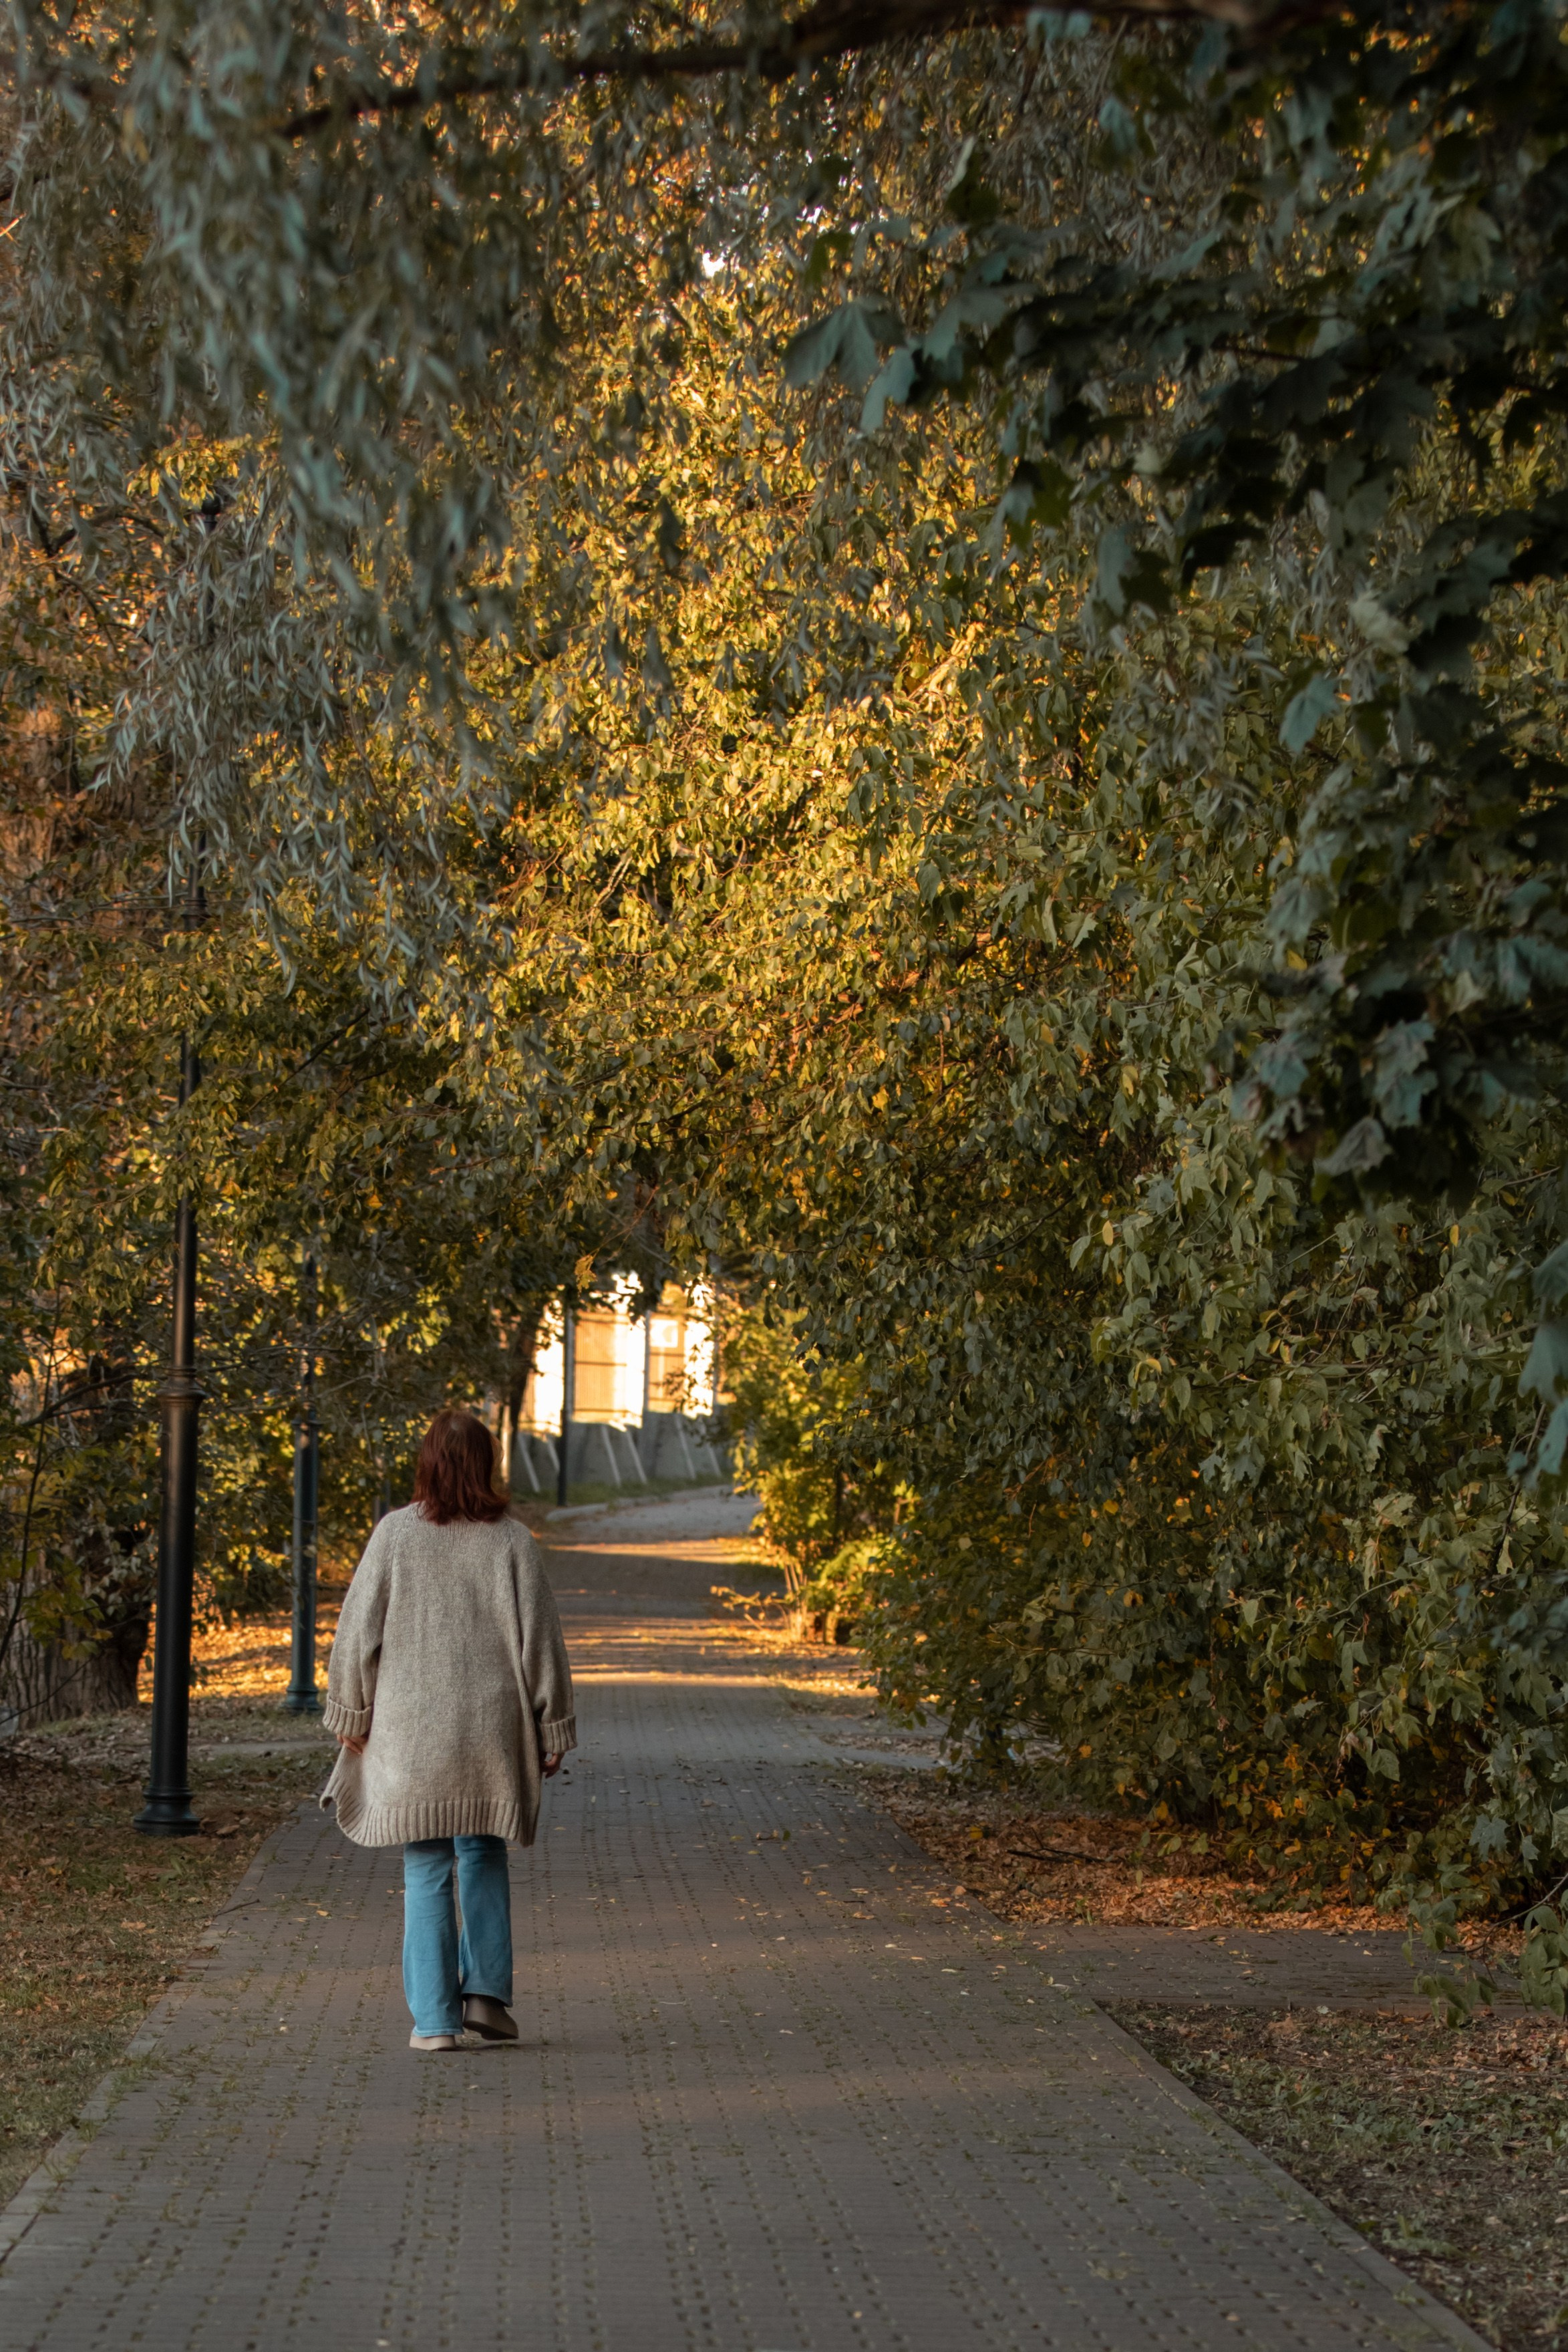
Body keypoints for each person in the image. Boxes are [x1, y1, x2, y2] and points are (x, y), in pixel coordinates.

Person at [321, 1409, 576, 2052]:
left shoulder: (394, 1536)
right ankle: (486, 1995)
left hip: (412, 1737)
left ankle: (435, 2023)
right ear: (486, 1464)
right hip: (491, 1732)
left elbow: (356, 1634)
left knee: (427, 1866)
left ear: (427, 1463)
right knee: (483, 1852)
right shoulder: (512, 1542)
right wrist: (552, 1726)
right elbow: (541, 1643)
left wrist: (350, 1713)